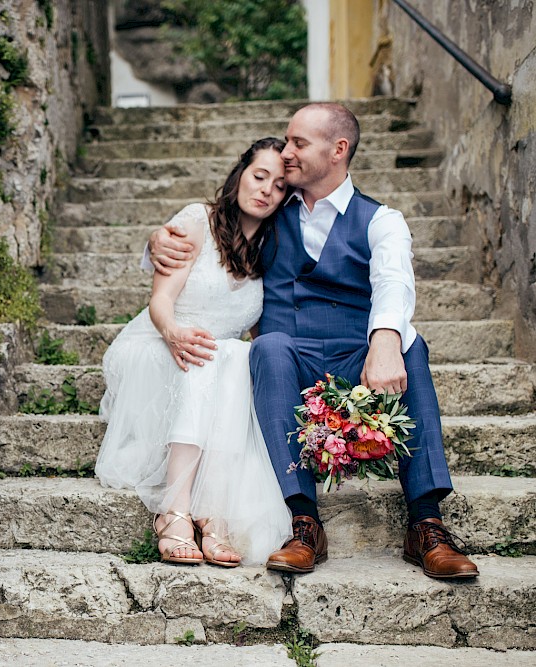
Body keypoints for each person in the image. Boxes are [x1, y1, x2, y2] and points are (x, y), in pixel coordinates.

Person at [148, 103, 479, 580]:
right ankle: (304, 522)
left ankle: (426, 523)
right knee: (267, 347)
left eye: (298, 143)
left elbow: (394, 280)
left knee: (412, 343)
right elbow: (214, 234)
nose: (286, 153)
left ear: (338, 150)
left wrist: (385, 337)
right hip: (292, 358)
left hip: (356, 358)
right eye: (286, 142)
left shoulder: (381, 219)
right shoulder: (270, 210)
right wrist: (157, 240)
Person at [96, 137, 293, 567]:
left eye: (279, 186)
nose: (266, 190)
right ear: (240, 173)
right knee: (213, 353)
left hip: (212, 361)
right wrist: (173, 333)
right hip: (159, 346)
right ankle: (176, 512)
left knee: (237, 355)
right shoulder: (196, 221)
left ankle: (212, 513)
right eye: (259, 176)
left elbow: (258, 332)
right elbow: (160, 303)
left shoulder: (272, 249)